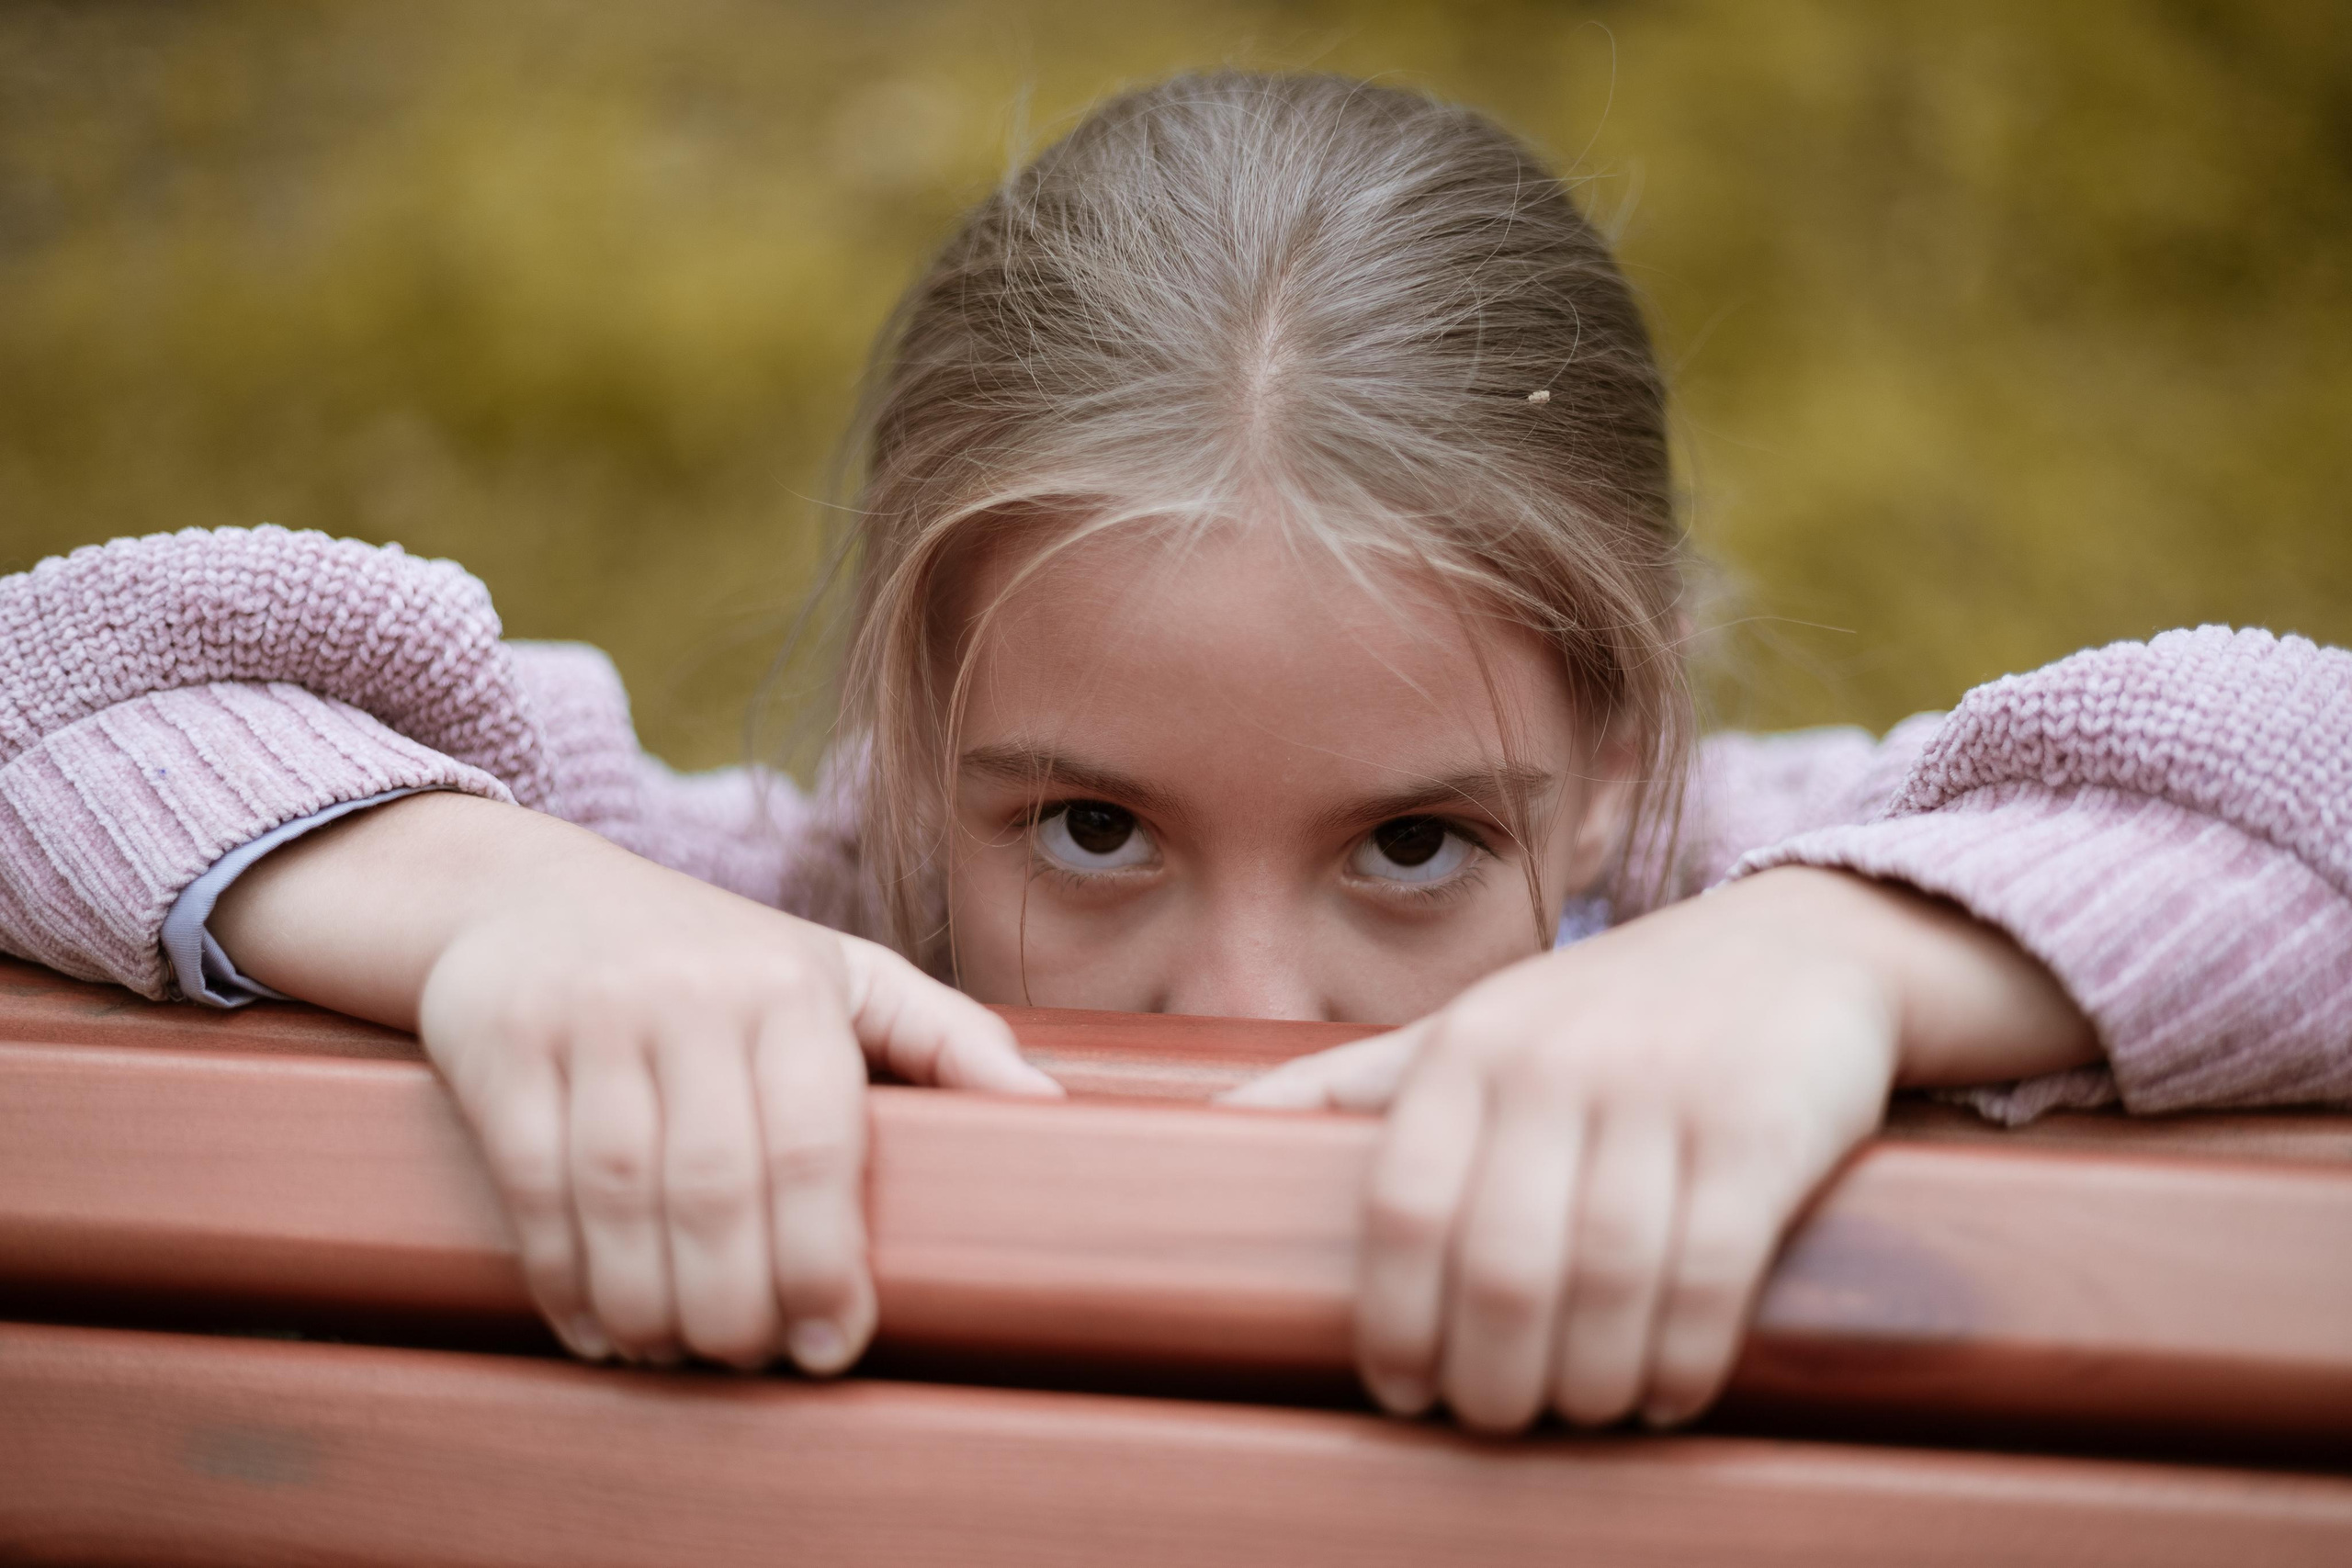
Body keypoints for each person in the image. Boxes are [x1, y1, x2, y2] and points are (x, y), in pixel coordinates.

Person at [2, 72, 2346, 1437]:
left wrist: (1834, 958)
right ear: (900, 737)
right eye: (1091, 825)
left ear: (1618, 742)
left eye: (1416, 841)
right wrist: (500, 904)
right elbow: (57, 682)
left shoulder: (1736, 903)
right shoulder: (745, 928)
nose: (1243, 995)